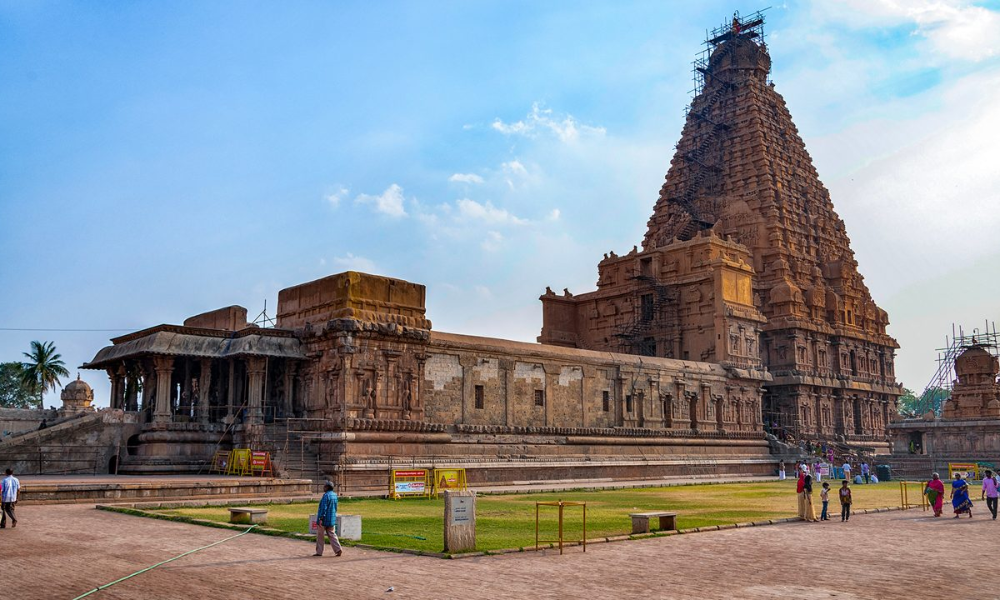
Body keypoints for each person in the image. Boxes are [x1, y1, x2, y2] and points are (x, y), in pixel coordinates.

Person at [314, 481, 342, 557]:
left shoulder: (326, 496)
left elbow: (323, 508)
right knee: (332, 534)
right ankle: (338, 549)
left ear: (327, 487)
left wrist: (321, 518)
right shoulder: (334, 495)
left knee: (320, 536)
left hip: (324, 519)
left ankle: (319, 552)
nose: (323, 487)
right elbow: (335, 507)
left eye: (324, 486)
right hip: (331, 518)